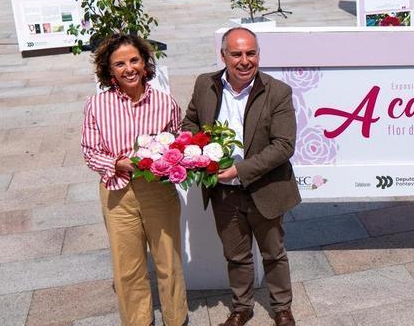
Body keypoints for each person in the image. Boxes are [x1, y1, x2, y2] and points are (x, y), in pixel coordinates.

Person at [182, 27, 300, 326]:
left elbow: (283, 145)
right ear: (223, 55)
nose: (245, 61)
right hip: (224, 192)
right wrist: (199, 154)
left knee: (273, 253)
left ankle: (282, 308)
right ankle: (241, 307)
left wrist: (240, 170)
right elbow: (190, 122)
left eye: (251, 53)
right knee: (236, 255)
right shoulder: (205, 84)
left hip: (265, 187)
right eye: (237, 54)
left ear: (259, 54)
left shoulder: (278, 91)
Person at [81, 34, 188, 326]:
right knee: (127, 267)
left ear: (144, 63)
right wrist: (118, 163)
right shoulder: (97, 105)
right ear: (109, 69)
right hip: (117, 192)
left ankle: (176, 319)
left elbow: (177, 143)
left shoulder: (166, 103)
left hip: (158, 190)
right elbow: (90, 151)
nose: (128, 68)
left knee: (169, 261)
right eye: (120, 64)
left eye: (134, 60)